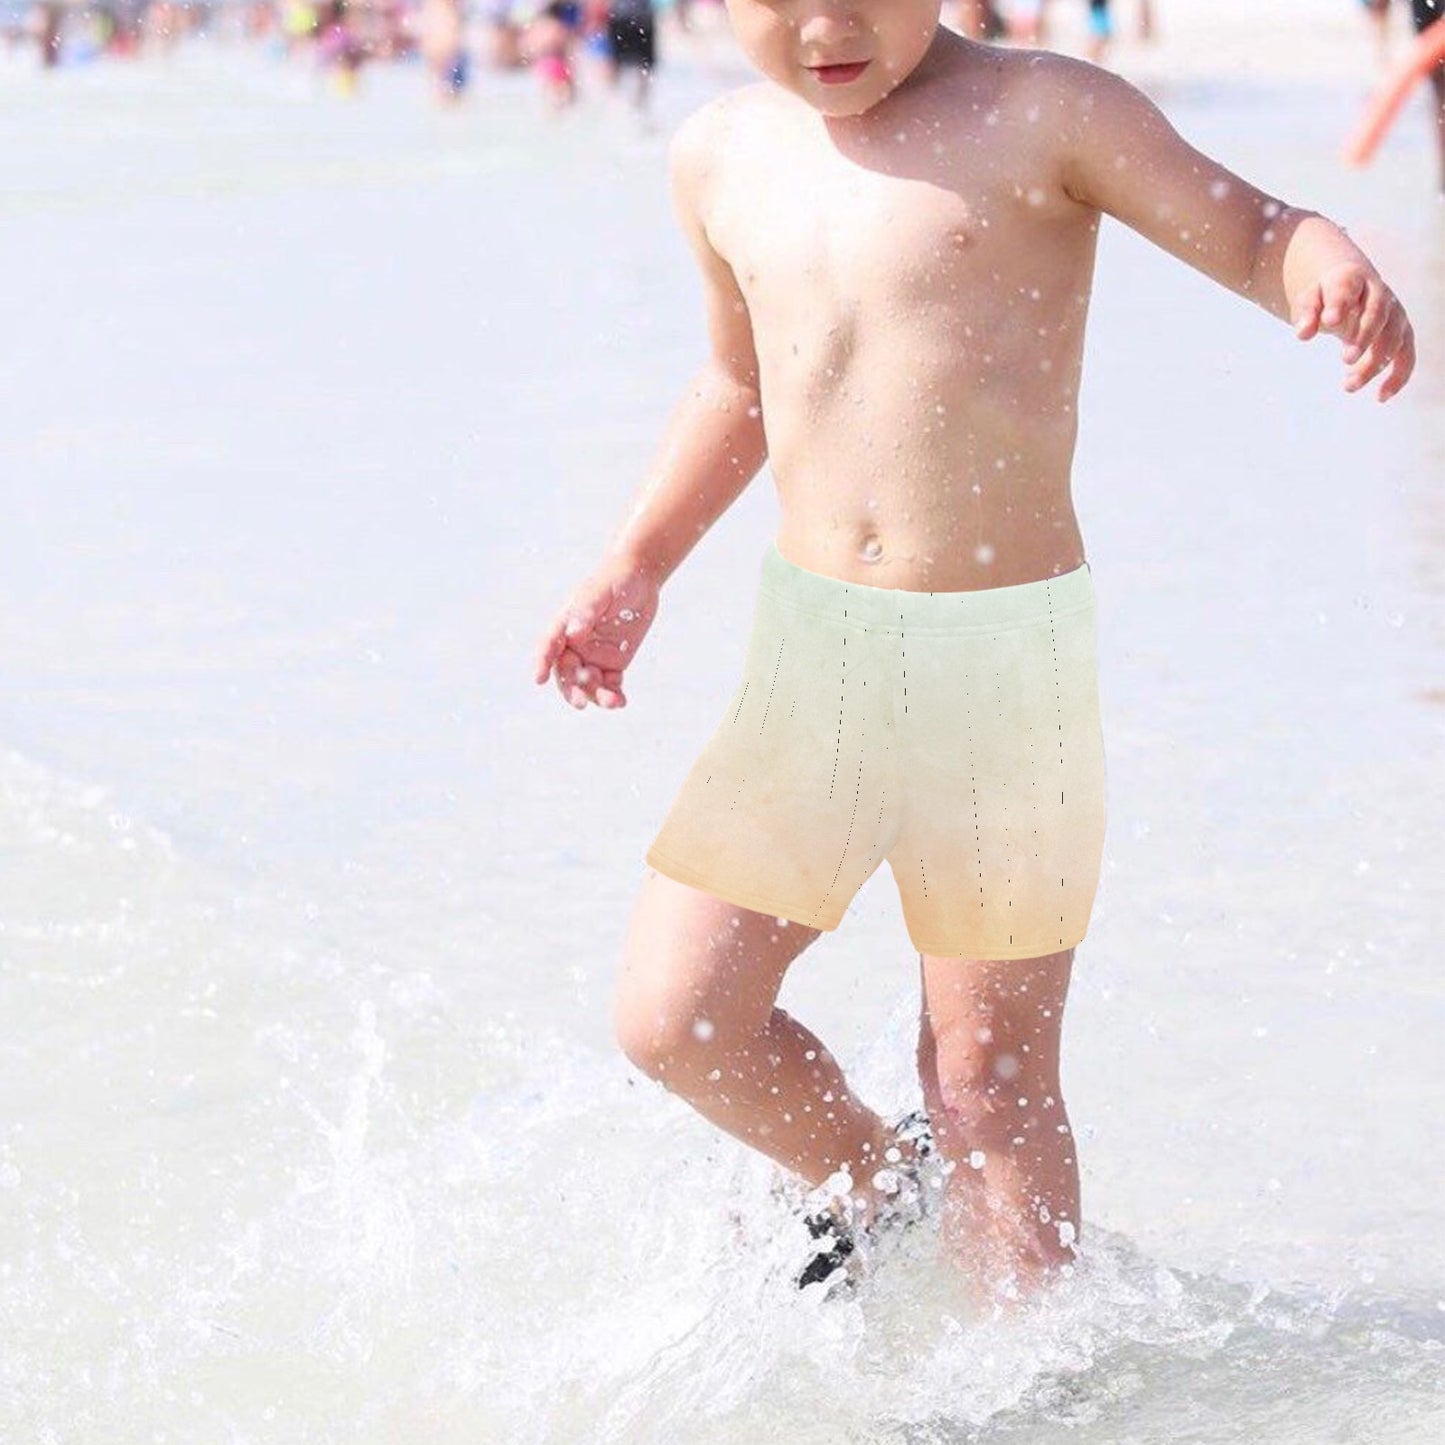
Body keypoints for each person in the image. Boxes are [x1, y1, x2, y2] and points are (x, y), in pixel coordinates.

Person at [533, 0, 1415, 1309]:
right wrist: (636, 561)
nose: (827, 27)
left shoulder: (1046, 110)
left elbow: (1247, 227)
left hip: (1003, 672)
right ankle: (869, 1179)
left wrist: (1316, 256)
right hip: (813, 657)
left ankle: (1024, 1377)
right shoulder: (719, 152)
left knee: (988, 1078)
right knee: (674, 1015)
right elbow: (739, 382)